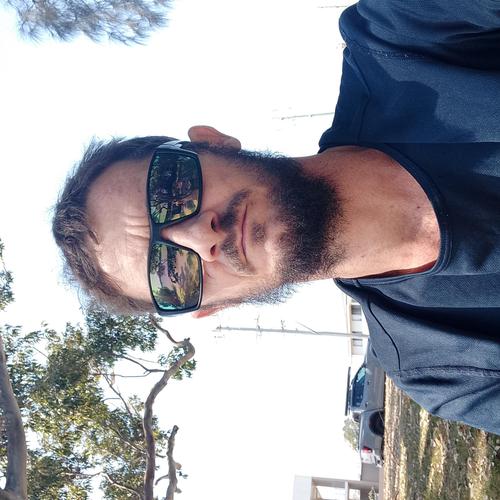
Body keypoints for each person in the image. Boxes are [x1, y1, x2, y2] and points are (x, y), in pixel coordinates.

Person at [52, 0, 500, 435]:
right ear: (213, 307)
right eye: (171, 273)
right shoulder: (446, 370)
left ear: (212, 141)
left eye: (171, 190)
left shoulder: (403, 37)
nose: (199, 236)